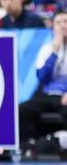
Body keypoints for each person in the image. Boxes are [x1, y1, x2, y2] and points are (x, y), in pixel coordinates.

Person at [18, 11, 67, 154]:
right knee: (22, 110)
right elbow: (42, 78)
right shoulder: (47, 48)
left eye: (65, 22)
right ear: (53, 27)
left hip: (65, 96)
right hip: (48, 95)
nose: (62, 26)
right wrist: (54, 52)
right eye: (58, 23)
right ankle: (29, 146)